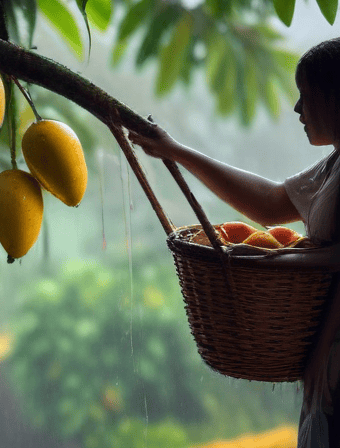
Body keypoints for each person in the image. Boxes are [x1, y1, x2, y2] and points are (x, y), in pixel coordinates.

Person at [128, 38, 340, 447]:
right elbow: (269, 202)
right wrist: (174, 150)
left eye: (307, 96)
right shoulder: (334, 165)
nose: (298, 109)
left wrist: (273, 263)